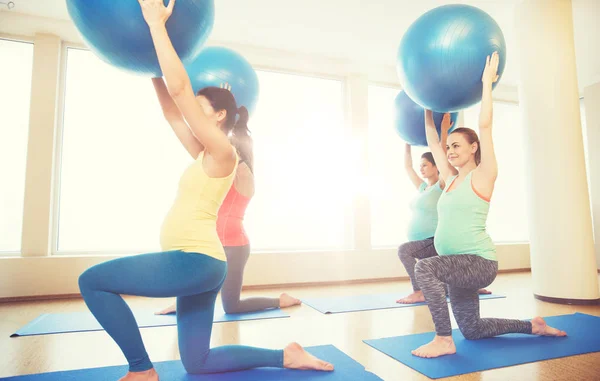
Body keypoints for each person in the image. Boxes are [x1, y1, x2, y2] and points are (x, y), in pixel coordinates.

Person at [77, 1, 334, 379]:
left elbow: (180, 90)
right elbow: (171, 110)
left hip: (194, 260)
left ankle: (141, 369)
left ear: (218, 117)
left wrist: (155, 26)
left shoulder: (223, 152)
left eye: (199, 108)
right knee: (198, 362)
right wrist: (150, 68)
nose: (191, 112)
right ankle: (287, 355)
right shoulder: (203, 155)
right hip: (204, 264)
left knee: (92, 281)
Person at [411, 51, 566, 359]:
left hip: (478, 264)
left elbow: (485, 125)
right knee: (473, 329)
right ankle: (532, 326)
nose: (450, 151)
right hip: (458, 267)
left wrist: (486, 83)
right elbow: (431, 141)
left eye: (457, 146)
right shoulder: (450, 180)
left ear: (474, 148)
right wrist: (425, 102)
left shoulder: (483, 175)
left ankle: (443, 339)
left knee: (424, 267)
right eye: (449, 147)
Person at [154, 94, 301, 316]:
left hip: (233, 247)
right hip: (209, 243)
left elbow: (205, 134)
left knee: (231, 307)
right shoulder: (214, 162)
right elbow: (176, 120)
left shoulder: (234, 166)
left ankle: (279, 300)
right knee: (194, 282)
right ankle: (182, 302)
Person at [397, 124, 490, 304]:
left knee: (404, 251)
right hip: (426, 243)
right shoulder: (423, 188)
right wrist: (406, 141)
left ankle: (418, 291)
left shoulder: (443, 184)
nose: (421, 169)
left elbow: (439, 152)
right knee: (441, 283)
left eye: (425, 165)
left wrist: (444, 132)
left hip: (432, 240)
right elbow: (408, 168)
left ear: (435, 167)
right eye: (420, 166)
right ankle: (469, 285)